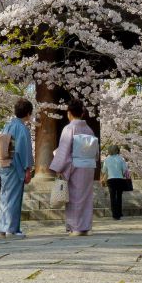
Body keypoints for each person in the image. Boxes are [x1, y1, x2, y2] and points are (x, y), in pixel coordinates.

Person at [49, 99, 97, 235]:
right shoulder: (89, 129)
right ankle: (85, 227)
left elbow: (64, 150)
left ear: (68, 113)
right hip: (88, 166)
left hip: (74, 166)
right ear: (82, 113)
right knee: (86, 197)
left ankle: (76, 227)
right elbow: (95, 152)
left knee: (75, 197)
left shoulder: (69, 128)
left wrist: (59, 168)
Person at [0, 98, 34, 237]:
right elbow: (23, 150)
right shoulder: (22, 128)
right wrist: (28, 168)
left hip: (3, 164)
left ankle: (2, 228)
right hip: (15, 165)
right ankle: (11, 229)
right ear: (28, 113)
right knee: (14, 197)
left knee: (5, 196)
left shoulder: (7, 126)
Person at [101, 145, 130, 220]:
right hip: (120, 179)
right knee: (119, 196)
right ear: (117, 150)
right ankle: (119, 213)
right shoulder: (121, 159)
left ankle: (114, 214)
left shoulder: (106, 159)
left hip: (111, 180)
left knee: (112, 197)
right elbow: (125, 170)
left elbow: (104, 170)